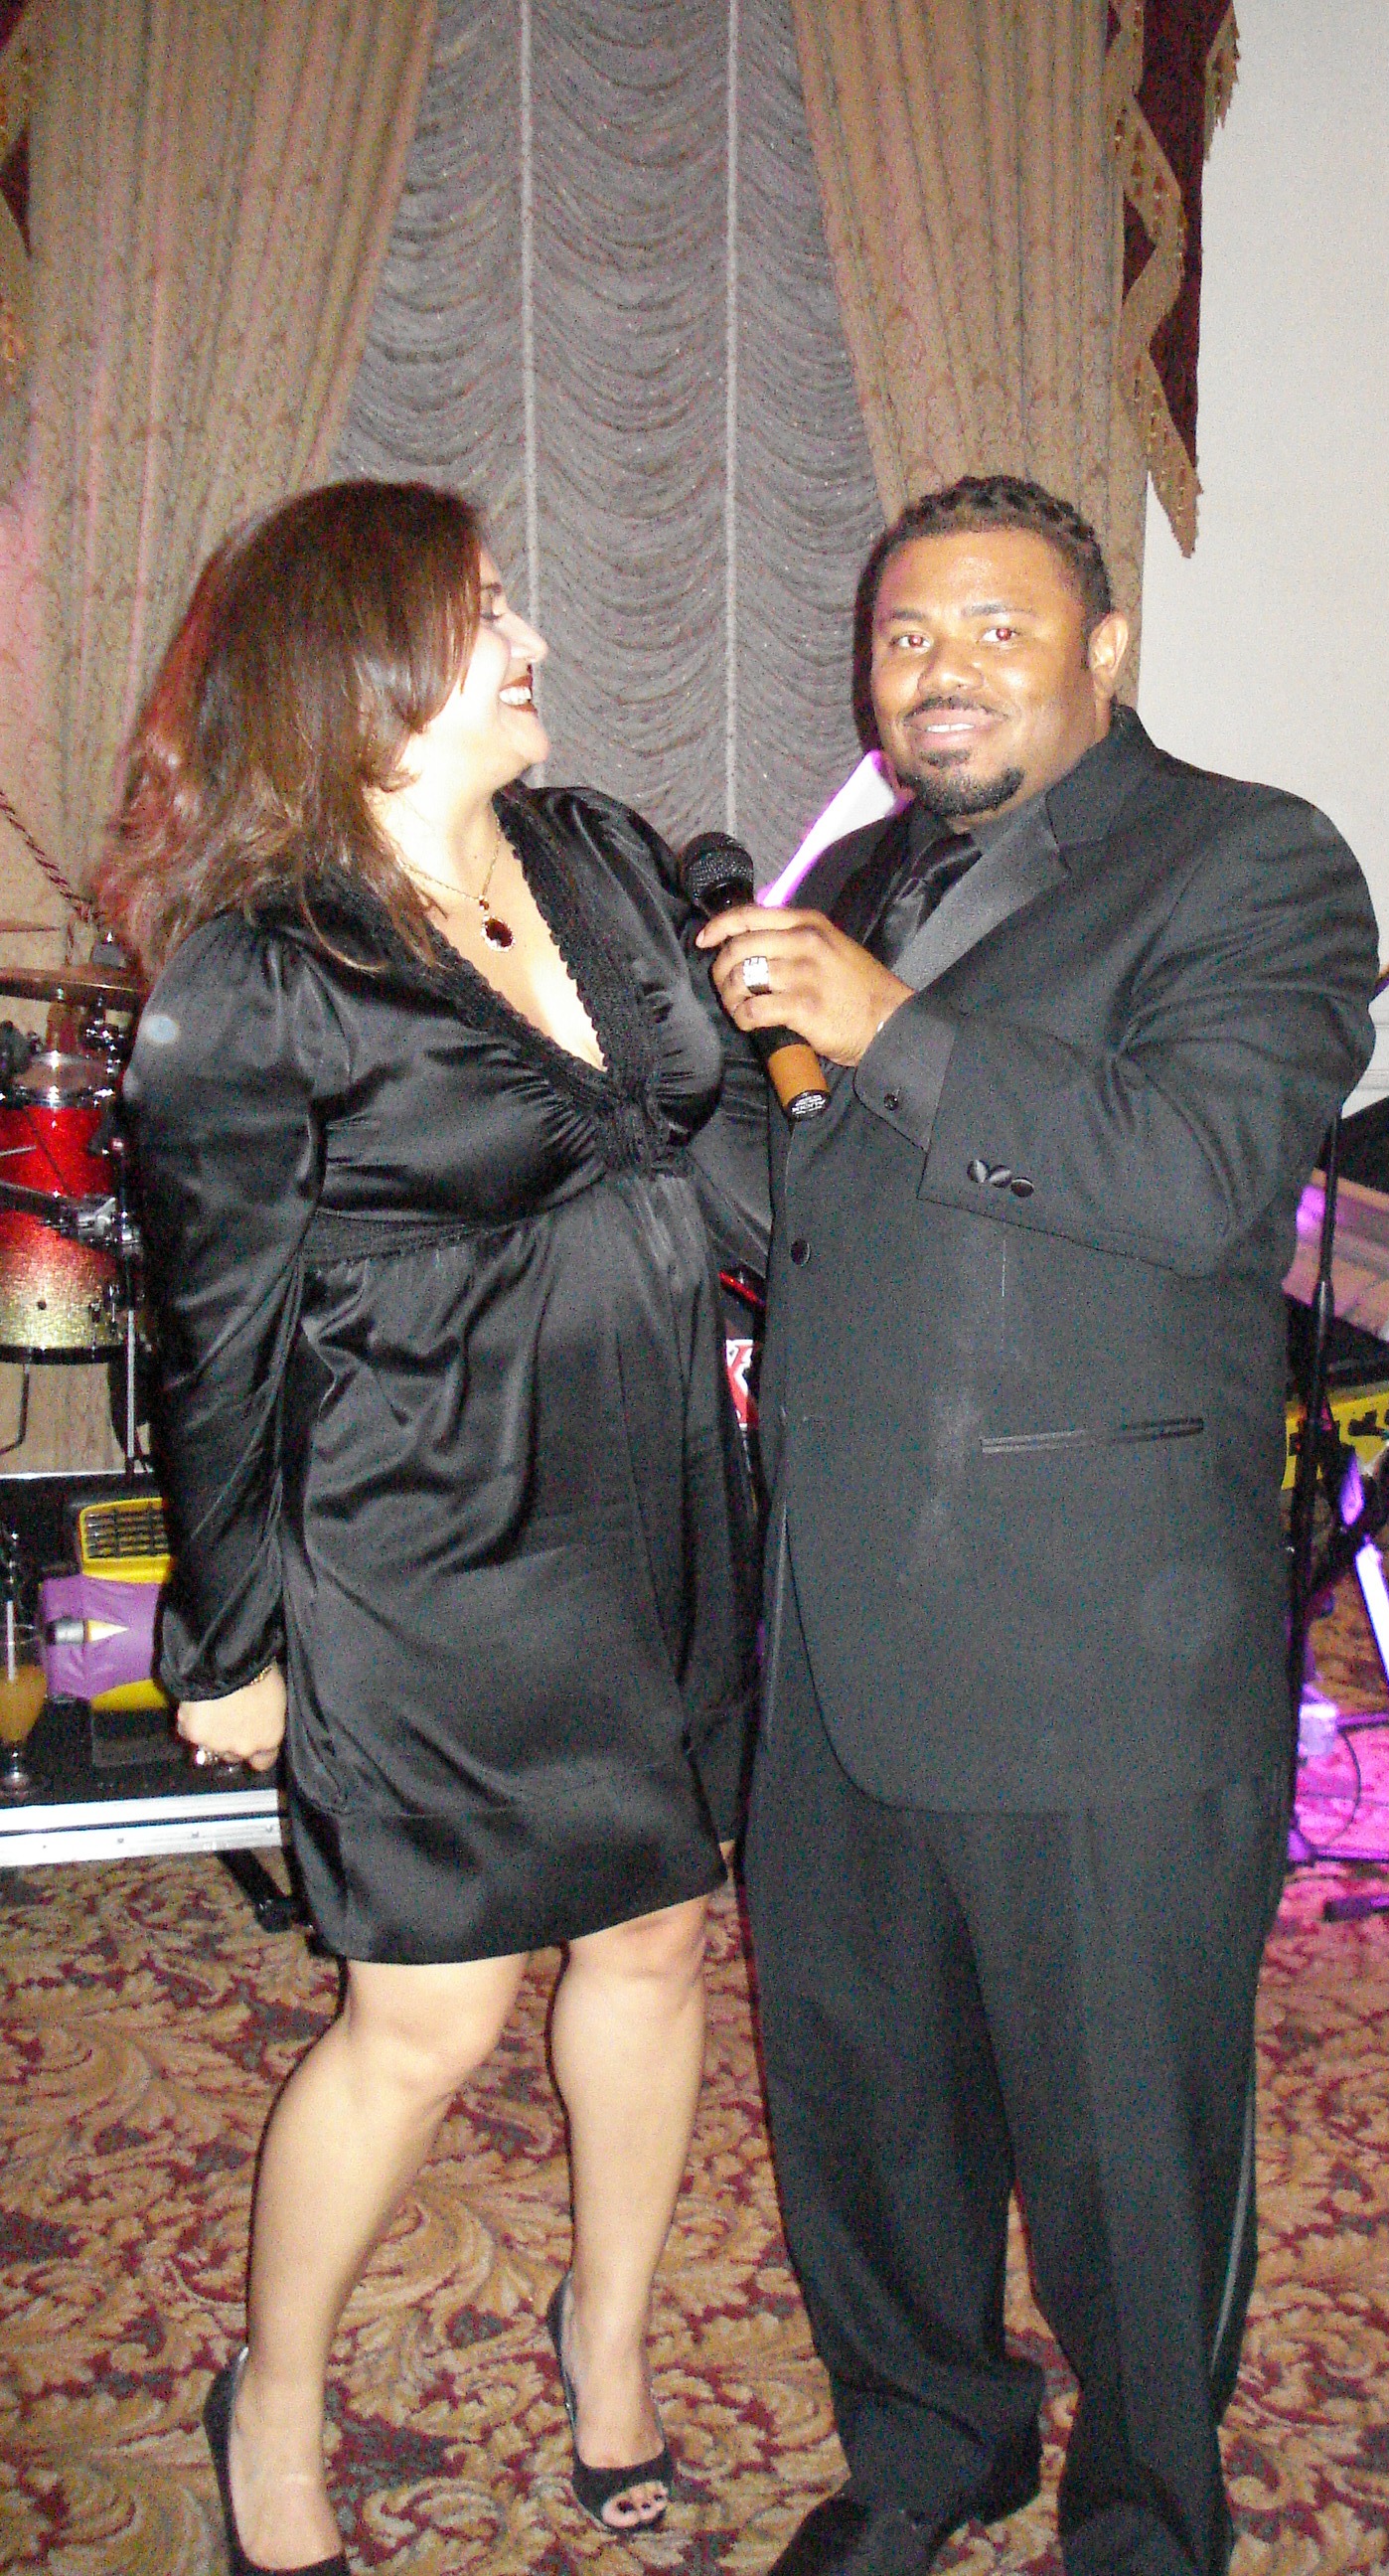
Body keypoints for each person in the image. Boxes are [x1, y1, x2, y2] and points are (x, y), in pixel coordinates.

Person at [695, 474, 1378, 2576]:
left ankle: (1150, 2513)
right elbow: (805, 1198)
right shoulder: (863, 876)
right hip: (842, 1609)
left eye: (995, 630)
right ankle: (926, 2444)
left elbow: (1191, 1173)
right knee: (863, 2100)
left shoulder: (1249, 861)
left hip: (1096, 1630)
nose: (941, 673)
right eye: (906, 636)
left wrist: (884, 1026)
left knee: (1125, 2140)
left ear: (1104, 650)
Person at [100, 482, 759, 2572]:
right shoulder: (259, 972)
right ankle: (278, 2392)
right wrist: (229, 1641)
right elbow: (213, 1349)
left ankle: (609, 2337)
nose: (532, 636)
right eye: (485, 611)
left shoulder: (598, 856)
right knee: (427, 2014)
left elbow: (725, 1145)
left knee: (655, 1936)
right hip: (423, 1533)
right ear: (365, 666)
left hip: (660, 1493)